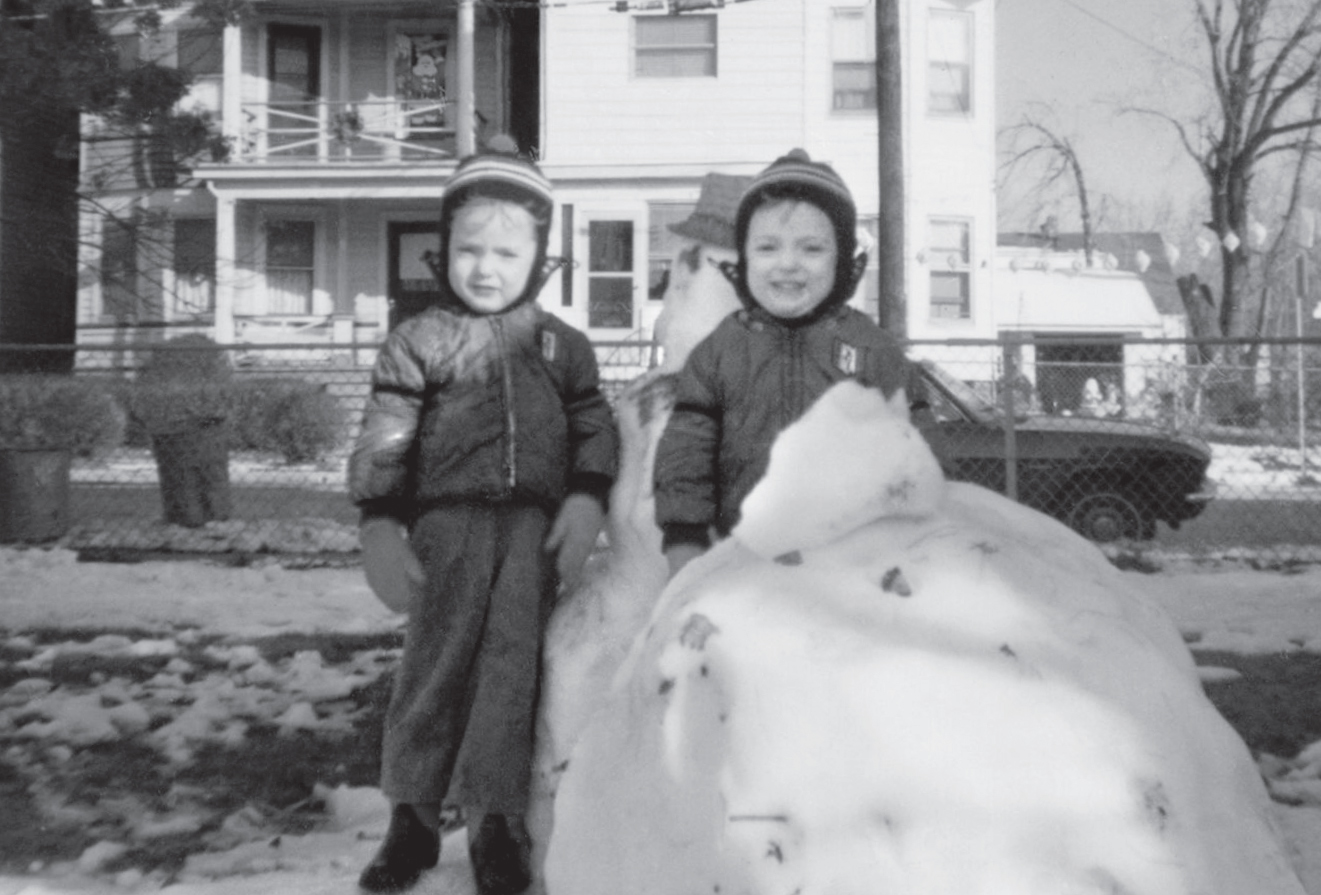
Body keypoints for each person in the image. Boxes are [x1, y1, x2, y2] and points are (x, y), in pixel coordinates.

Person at [348, 136, 618, 894]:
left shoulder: (563, 346)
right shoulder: (420, 341)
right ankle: (413, 814)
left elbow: (591, 424)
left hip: (532, 531)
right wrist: (378, 517)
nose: (485, 267)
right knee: (434, 666)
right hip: (446, 527)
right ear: (443, 251)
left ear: (539, 258)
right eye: (469, 249)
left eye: (506, 252)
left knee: (510, 669)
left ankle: (497, 817)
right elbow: (388, 431)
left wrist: (587, 495)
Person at [653, 148, 924, 577]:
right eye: (767, 247)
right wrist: (684, 538)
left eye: (812, 248)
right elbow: (687, 452)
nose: (788, 265)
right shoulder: (720, 352)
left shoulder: (873, 351)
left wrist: (916, 532)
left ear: (842, 260)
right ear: (743, 258)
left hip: (853, 564)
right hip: (741, 557)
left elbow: (917, 448)